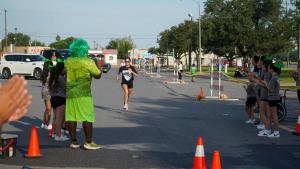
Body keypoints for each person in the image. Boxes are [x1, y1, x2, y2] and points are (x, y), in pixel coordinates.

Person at [65, 39, 102, 149]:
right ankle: (88, 142)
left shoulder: (68, 61)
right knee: (87, 118)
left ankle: (74, 142)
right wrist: (99, 66)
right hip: (84, 94)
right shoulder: (88, 61)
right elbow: (97, 75)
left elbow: (63, 72)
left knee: (71, 117)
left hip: (70, 93)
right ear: (84, 49)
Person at [49, 61, 69, 141]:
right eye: (65, 68)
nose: (66, 70)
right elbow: (67, 88)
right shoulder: (60, 78)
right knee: (59, 118)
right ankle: (58, 135)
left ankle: (54, 133)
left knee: (56, 117)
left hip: (53, 98)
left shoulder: (54, 77)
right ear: (61, 69)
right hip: (60, 98)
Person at [263, 62, 282, 138]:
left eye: (269, 68)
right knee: (272, 115)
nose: (268, 69)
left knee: (274, 115)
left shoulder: (274, 78)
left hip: (273, 97)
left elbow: (271, 89)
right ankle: (272, 131)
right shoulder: (275, 77)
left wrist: (266, 83)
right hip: (273, 97)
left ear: (272, 69)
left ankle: (276, 132)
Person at [40, 54, 57, 130]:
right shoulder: (46, 73)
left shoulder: (53, 71)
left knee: (48, 109)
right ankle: (47, 124)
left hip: (52, 91)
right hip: (46, 91)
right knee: (49, 108)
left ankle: (44, 123)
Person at [257, 59, 272, 136]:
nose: (261, 66)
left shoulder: (266, 74)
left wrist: (258, 82)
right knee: (267, 113)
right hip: (267, 95)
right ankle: (267, 128)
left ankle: (267, 128)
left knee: (262, 112)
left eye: (263, 65)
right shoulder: (268, 74)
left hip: (265, 95)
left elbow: (266, 85)